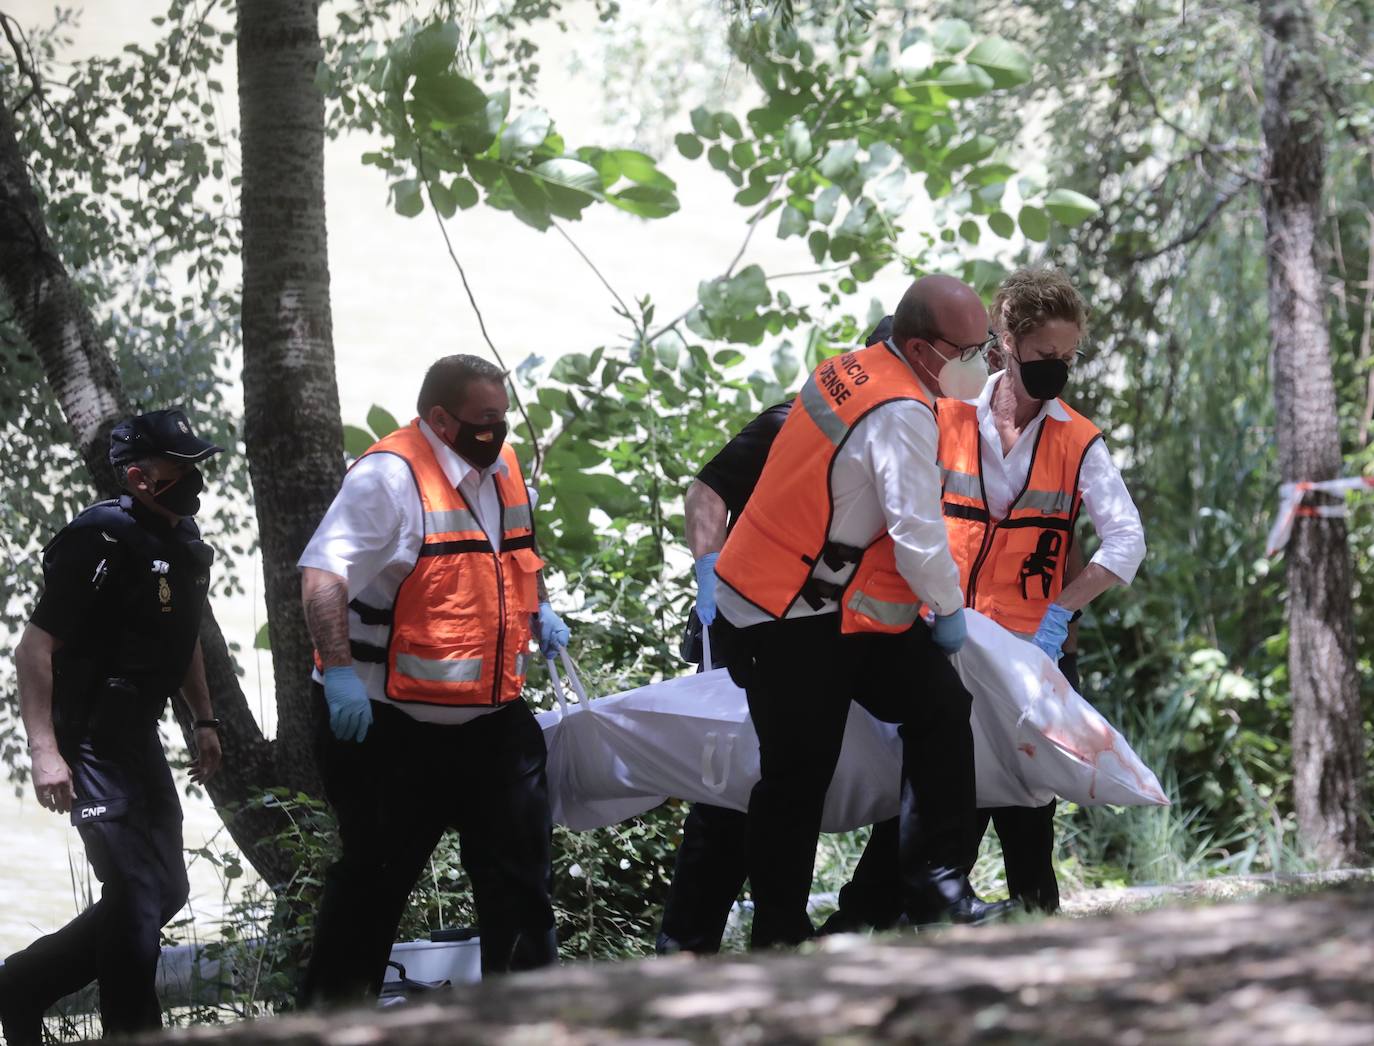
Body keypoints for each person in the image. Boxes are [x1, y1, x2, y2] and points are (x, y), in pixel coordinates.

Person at [826, 267, 1146, 926]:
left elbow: (1125, 545)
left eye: (1068, 357)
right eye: (1043, 357)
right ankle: (887, 924)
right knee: (940, 803)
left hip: (1034, 658)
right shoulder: (942, 417)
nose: (1058, 370)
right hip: (946, 648)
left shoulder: (1078, 440)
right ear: (1002, 347)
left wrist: (1062, 613)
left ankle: (1035, 933)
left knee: (1028, 813)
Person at [713, 274, 1016, 948]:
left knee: (940, 707)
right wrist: (947, 609)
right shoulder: (900, 410)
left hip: (834, 605)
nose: (982, 360)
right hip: (783, 612)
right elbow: (916, 531)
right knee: (798, 772)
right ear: (918, 345)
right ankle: (780, 932)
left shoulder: (850, 367)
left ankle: (935, 888)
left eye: (985, 345)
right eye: (969, 349)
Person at [297, 354, 571, 1006]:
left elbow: (513, 558)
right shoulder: (390, 480)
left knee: (521, 882)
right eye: (484, 420)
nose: (497, 432)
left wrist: (540, 607)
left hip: (490, 721)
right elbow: (322, 576)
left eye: (502, 418)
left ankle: (525, 1021)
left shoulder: (499, 470)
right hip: (387, 723)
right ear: (441, 420)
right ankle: (325, 1024)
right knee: (373, 884)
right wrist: (338, 674)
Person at [0, 409, 226, 1043]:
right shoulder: (99, 537)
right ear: (139, 477)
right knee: (132, 892)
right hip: (90, 735)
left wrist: (203, 718)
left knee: (166, 890)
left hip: (137, 735)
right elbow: (34, 649)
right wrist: (47, 753)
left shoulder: (182, 544)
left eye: (195, 466)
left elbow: (183, 639)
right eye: (180, 468)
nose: (194, 480)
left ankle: (22, 984)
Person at [657, 402, 792, 954]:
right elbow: (707, 491)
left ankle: (787, 934)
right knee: (728, 790)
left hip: (828, 633)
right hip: (743, 627)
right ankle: (685, 944)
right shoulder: (792, 422)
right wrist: (708, 570)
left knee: (790, 787)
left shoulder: (923, 429)